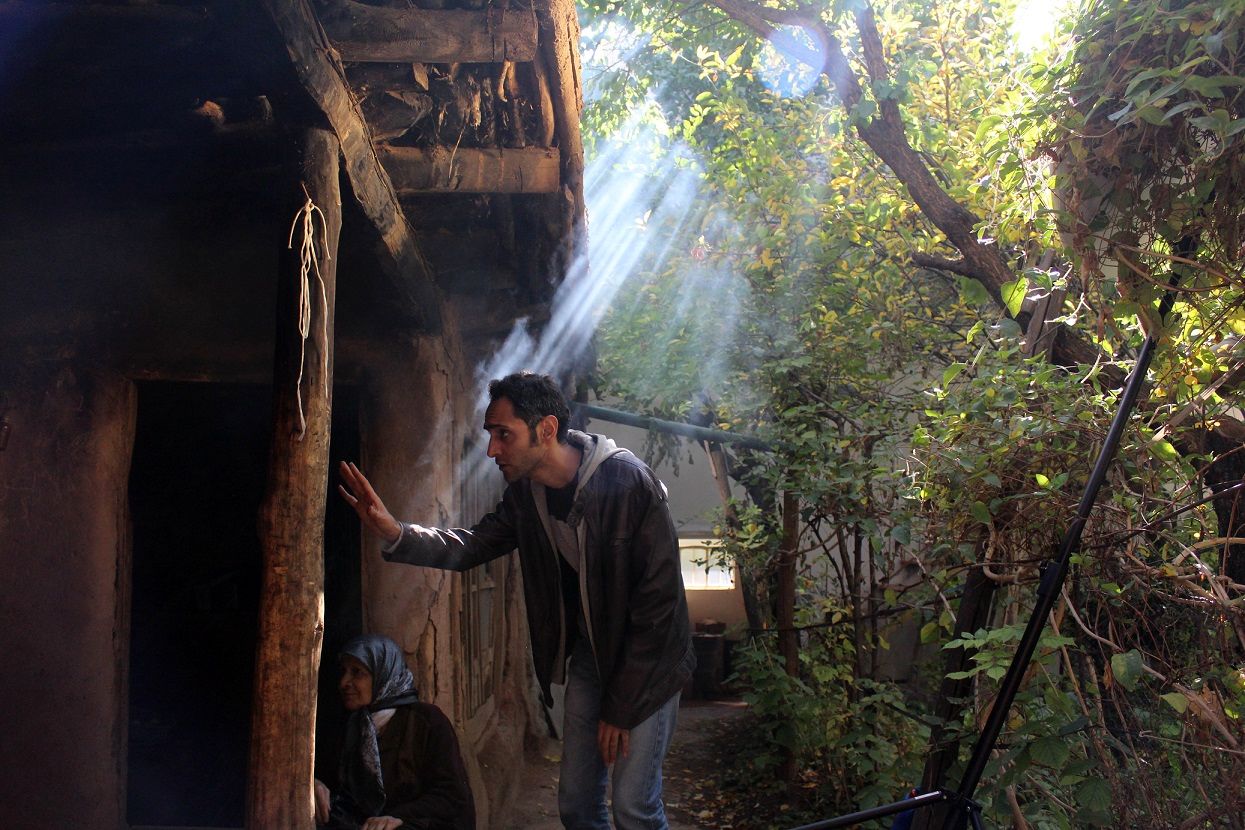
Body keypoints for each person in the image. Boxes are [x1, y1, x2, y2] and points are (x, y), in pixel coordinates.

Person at [338, 371, 694, 830]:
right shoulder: (528, 494)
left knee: (634, 807)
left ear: (546, 430)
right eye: (490, 435)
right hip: (592, 655)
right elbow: (474, 544)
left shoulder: (627, 483)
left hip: (651, 661)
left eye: (504, 434)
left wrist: (621, 708)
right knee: (577, 806)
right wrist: (397, 533)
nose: (492, 450)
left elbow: (659, 611)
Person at [315, 634, 475, 830]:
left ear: (384, 673)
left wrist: (398, 818)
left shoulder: (427, 721)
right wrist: (315, 785)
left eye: (357, 672)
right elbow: (337, 788)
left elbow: (451, 794)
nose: (344, 682)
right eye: (343, 671)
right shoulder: (349, 726)